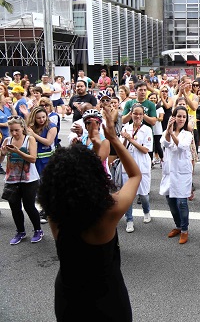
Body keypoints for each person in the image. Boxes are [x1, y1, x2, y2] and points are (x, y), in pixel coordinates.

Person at [37, 107, 141, 321]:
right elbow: (134, 175)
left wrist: (93, 145)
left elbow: (76, 180)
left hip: (69, 296)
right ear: (94, 176)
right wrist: (112, 138)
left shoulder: (55, 211)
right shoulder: (108, 211)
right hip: (108, 297)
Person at [1, 116, 42, 245]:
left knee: (29, 206)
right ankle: (20, 232)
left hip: (29, 179)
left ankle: (38, 230)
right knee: (15, 207)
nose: (14, 133)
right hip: (12, 179)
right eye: (11, 130)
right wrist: (2, 153)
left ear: (23, 128)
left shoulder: (30, 139)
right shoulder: (7, 140)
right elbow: (0, 161)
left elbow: (33, 159)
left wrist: (18, 151)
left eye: (17, 130)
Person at [159, 106, 194, 244]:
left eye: (184, 117)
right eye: (179, 116)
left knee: (182, 202)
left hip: (182, 172)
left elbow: (183, 146)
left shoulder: (187, 133)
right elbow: (165, 143)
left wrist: (172, 134)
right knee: (170, 201)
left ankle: (185, 230)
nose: (181, 119)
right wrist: (169, 131)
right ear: (173, 117)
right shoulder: (166, 131)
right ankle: (178, 226)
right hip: (169, 171)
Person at [120, 104, 153, 233]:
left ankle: (146, 211)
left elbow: (146, 149)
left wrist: (130, 139)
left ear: (143, 115)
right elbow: (121, 149)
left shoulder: (147, 129)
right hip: (127, 166)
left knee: (144, 195)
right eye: (135, 113)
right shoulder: (126, 128)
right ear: (131, 114)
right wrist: (124, 139)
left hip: (142, 165)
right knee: (128, 196)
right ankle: (129, 220)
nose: (137, 116)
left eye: (140, 114)